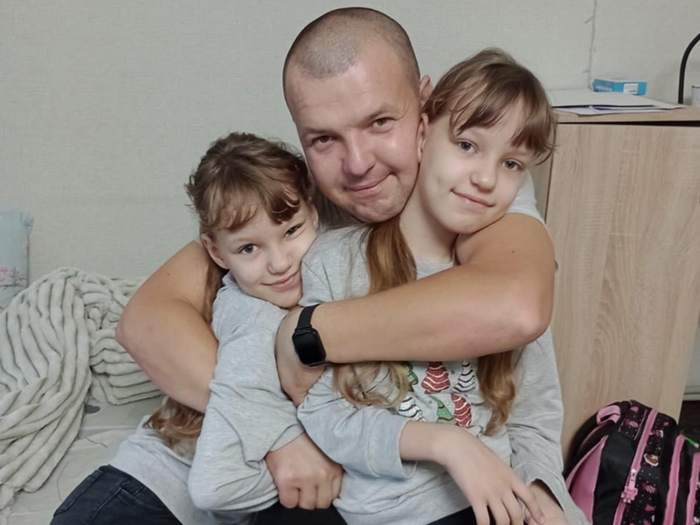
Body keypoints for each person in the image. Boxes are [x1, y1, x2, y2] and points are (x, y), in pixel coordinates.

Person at [117, 6, 556, 515]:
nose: (357, 164)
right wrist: (283, 434)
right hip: (195, 457)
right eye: (323, 139)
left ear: (425, 109)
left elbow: (517, 313)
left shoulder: (478, 186)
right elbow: (144, 321)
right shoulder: (289, 203)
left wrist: (304, 334)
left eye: (380, 122)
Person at [294, 49, 583, 525]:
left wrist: (542, 493)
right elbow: (321, 412)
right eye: (467, 145)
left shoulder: (505, 279)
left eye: (512, 163)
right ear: (423, 132)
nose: (486, 178)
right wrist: (448, 444)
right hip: (394, 512)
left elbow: (534, 416)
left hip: (501, 503)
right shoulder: (335, 261)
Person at [51, 133, 337, 524]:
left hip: (263, 497)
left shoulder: (341, 272)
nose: (280, 263)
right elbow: (139, 324)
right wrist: (279, 434)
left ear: (314, 215)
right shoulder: (243, 304)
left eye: (290, 232)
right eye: (249, 248)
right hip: (162, 477)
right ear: (216, 251)